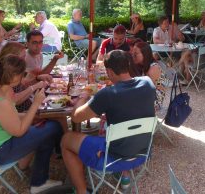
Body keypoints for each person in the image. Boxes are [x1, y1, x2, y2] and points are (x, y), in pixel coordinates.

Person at [61, 50, 156, 194]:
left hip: (113, 156)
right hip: (142, 152)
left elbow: (75, 117)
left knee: (66, 140)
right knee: (115, 130)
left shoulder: (107, 94)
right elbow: (133, 107)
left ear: (109, 71)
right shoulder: (148, 83)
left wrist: (83, 95)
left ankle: (81, 191)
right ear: (128, 64)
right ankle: (125, 177)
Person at [0, 55, 63, 193]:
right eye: (23, 74)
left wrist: (28, 116)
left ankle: (39, 178)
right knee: (53, 127)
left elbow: (3, 117)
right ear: (16, 77)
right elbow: (19, 131)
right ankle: (39, 182)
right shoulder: (0, 101)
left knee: (45, 126)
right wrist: (36, 104)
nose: (24, 76)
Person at [178, 20, 205, 84]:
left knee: (186, 56)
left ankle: (183, 73)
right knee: (186, 53)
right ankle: (185, 75)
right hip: (200, 55)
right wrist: (198, 50)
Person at [132, 41, 170, 111]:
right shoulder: (143, 65)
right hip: (147, 96)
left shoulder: (153, 68)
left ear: (145, 54)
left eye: (136, 53)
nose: (133, 55)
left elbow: (148, 92)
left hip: (154, 101)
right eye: (133, 53)